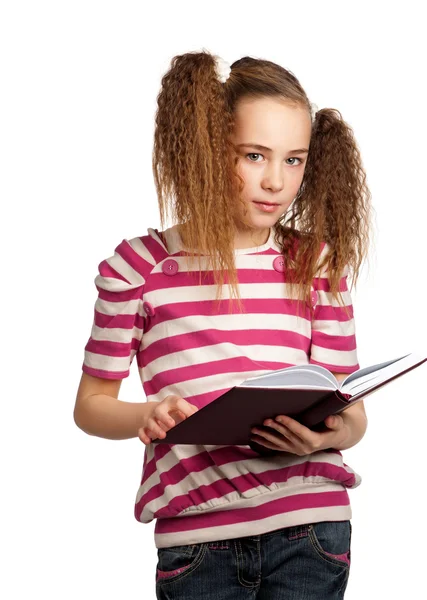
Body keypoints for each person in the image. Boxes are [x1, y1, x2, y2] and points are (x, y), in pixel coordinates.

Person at [74, 49, 372, 599]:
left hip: (312, 528)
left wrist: (322, 437)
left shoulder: (317, 263)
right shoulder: (140, 268)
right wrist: (149, 414)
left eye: (293, 160)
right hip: (198, 541)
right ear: (210, 151)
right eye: (254, 155)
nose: (276, 182)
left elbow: (351, 414)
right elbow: (90, 406)